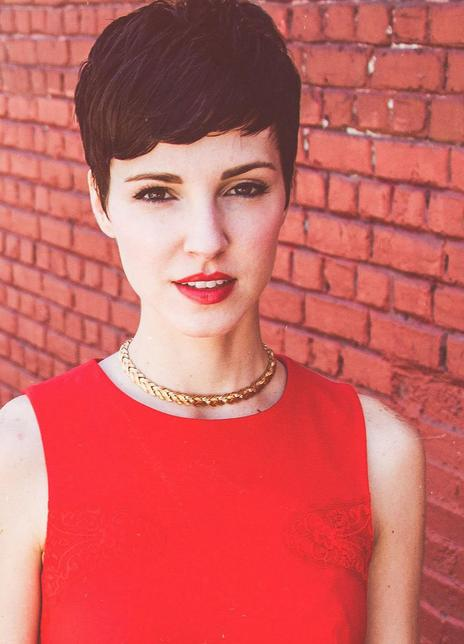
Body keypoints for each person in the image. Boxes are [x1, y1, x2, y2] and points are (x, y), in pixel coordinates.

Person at [0, 0, 426, 642]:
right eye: (156, 192)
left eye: (244, 187)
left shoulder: (380, 455)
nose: (206, 240)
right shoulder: (22, 451)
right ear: (102, 203)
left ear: (288, 189)